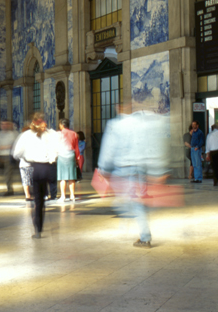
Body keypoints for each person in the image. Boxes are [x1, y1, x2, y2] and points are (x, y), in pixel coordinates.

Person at [97, 100, 170, 248]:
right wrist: (158, 170)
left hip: (124, 168)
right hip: (140, 168)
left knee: (130, 202)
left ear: (119, 108)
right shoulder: (141, 124)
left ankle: (143, 235)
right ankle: (133, 220)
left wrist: (103, 168)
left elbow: (109, 148)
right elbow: (152, 145)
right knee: (135, 200)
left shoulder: (115, 125)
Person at [12, 112, 60, 238]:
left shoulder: (26, 135)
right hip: (48, 167)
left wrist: (25, 158)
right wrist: (52, 158)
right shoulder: (51, 134)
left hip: (35, 167)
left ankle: (38, 228)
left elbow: (16, 153)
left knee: (37, 200)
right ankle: (48, 199)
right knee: (44, 196)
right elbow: (58, 149)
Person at [56, 119, 82, 202]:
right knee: (71, 177)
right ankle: (72, 196)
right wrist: (77, 158)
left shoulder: (59, 134)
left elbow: (56, 146)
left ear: (62, 125)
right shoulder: (74, 133)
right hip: (71, 155)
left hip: (62, 155)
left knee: (62, 177)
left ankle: (63, 196)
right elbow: (76, 147)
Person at [0, 119, 18, 195]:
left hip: (8, 155)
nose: (4, 126)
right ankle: (7, 186)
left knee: (8, 173)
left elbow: (15, 145)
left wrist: (5, 147)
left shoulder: (12, 134)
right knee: (3, 173)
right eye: (2, 124)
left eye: (6, 124)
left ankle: (10, 189)